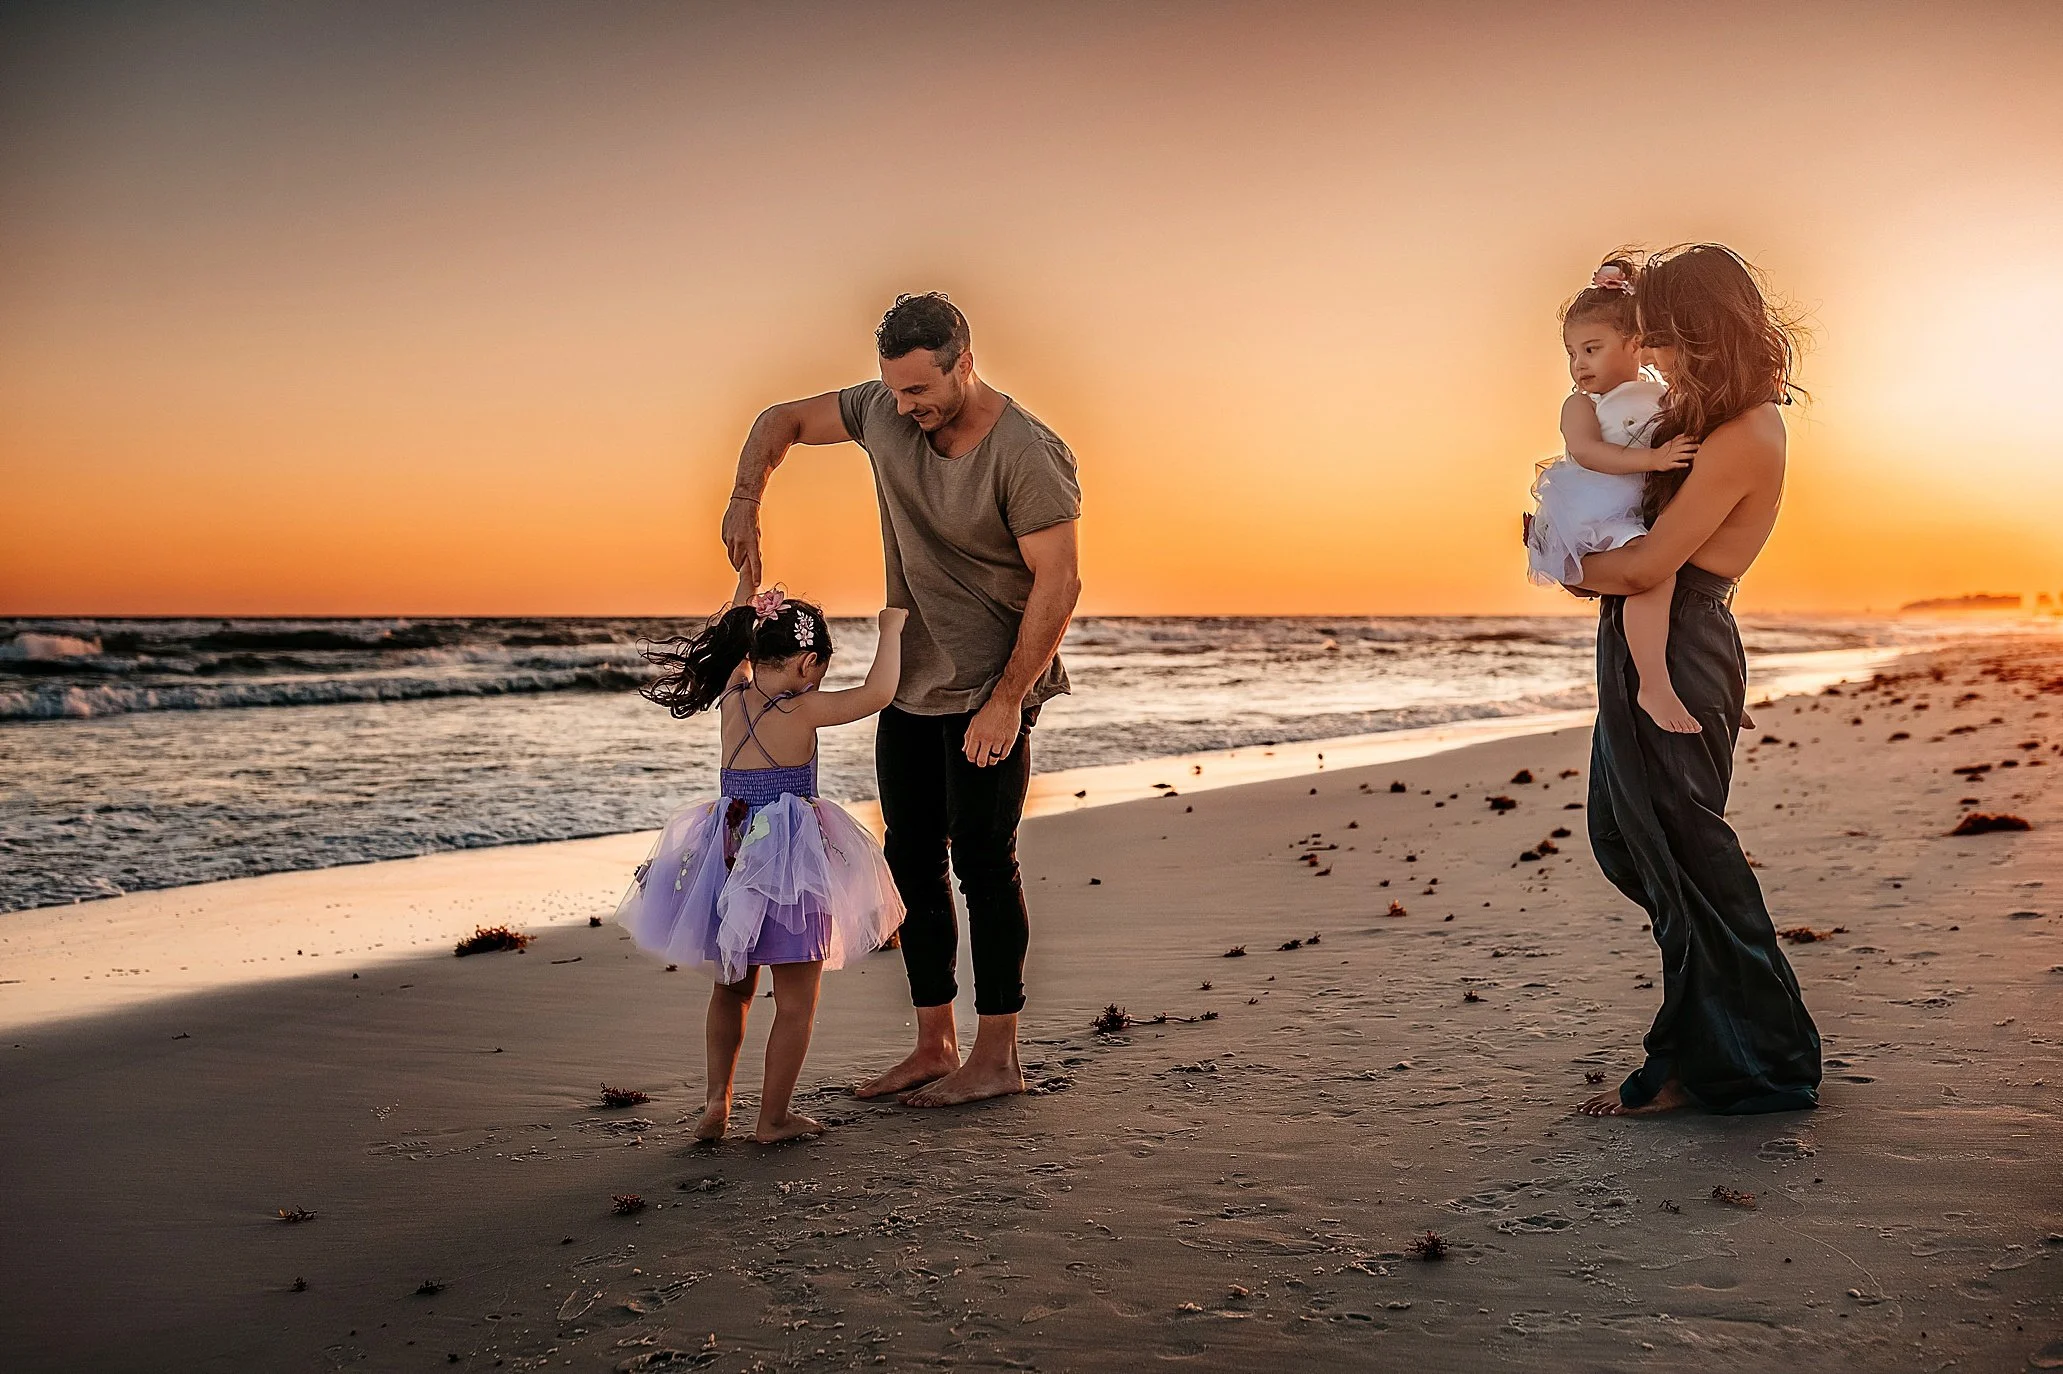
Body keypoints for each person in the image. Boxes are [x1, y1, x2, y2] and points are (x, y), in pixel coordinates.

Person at [719, 292, 1082, 1108]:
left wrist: (1005, 701)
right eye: (894, 389)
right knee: (911, 861)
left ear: (963, 363)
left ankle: (996, 1057)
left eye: (920, 390)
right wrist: (746, 497)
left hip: (993, 685)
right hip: (911, 686)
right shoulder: (882, 409)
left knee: (985, 864)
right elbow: (776, 419)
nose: (905, 405)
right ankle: (932, 1044)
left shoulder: (1026, 451)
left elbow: (1058, 585)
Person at [1572, 243, 1822, 1117]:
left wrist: (1554, 558)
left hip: (1681, 644)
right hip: (1651, 638)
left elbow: (1646, 568)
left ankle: (1730, 1062)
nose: (1659, 359)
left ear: (1708, 336)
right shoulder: (1705, 421)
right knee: (1627, 837)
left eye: (1670, 340)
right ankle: (1734, 1041)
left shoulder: (1746, 432)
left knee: (1685, 855)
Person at [614, 572, 910, 1143]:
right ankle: (772, 1119)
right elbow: (879, 693)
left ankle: (714, 1106)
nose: (821, 677)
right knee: (796, 1002)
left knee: (732, 988)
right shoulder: (805, 710)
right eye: (822, 665)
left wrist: (748, 587)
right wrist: (890, 628)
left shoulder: (732, 695)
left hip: (725, 852)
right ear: (806, 663)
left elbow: (746, 644)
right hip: (787, 862)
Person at [1526, 258, 1704, 733]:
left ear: (1636, 346)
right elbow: (1586, 452)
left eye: (1592, 348)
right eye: (1571, 352)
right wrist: (1654, 460)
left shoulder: (1661, 393)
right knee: (1655, 578)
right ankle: (1654, 686)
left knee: (1691, 585)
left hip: (1640, 508)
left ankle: (1702, 687)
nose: (1578, 363)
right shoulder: (1582, 404)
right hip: (1595, 511)